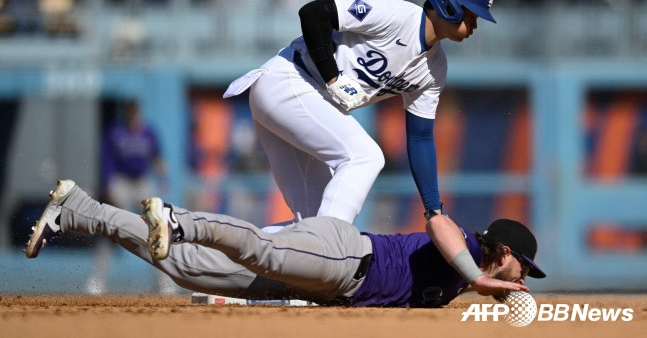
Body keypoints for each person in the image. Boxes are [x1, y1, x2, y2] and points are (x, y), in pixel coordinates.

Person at [223, 0, 496, 232]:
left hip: (306, 104)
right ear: (449, 4)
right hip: (288, 80)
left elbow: (420, 137)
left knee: (308, 224)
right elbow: (313, 13)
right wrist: (332, 77)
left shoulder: (435, 69)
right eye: (471, 15)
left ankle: (211, 249)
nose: (474, 24)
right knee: (365, 156)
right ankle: (329, 247)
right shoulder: (393, 13)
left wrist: (433, 209)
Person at [25, 180, 545, 307]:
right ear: (504, 254)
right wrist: (479, 275)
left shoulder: (464, 285)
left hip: (329, 286)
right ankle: (180, 219)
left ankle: (80, 209)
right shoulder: (470, 252)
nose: (523, 280)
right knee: (259, 247)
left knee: (186, 270)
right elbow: (440, 225)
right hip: (346, 257)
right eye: (523, 269)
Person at [88, 100, 170, 294]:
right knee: (110, 228)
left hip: (142, 182)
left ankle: (164, 282)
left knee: (157, 229)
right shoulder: (116, 132)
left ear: (139, 113)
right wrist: (108, 184)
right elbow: (106, 160)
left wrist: (164, 178)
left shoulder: (148, 132)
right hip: (121, 182)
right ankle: (96, 281)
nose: (133, 116)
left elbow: (157, 157)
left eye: (135, 112)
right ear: (126, 113)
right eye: (130, 112)